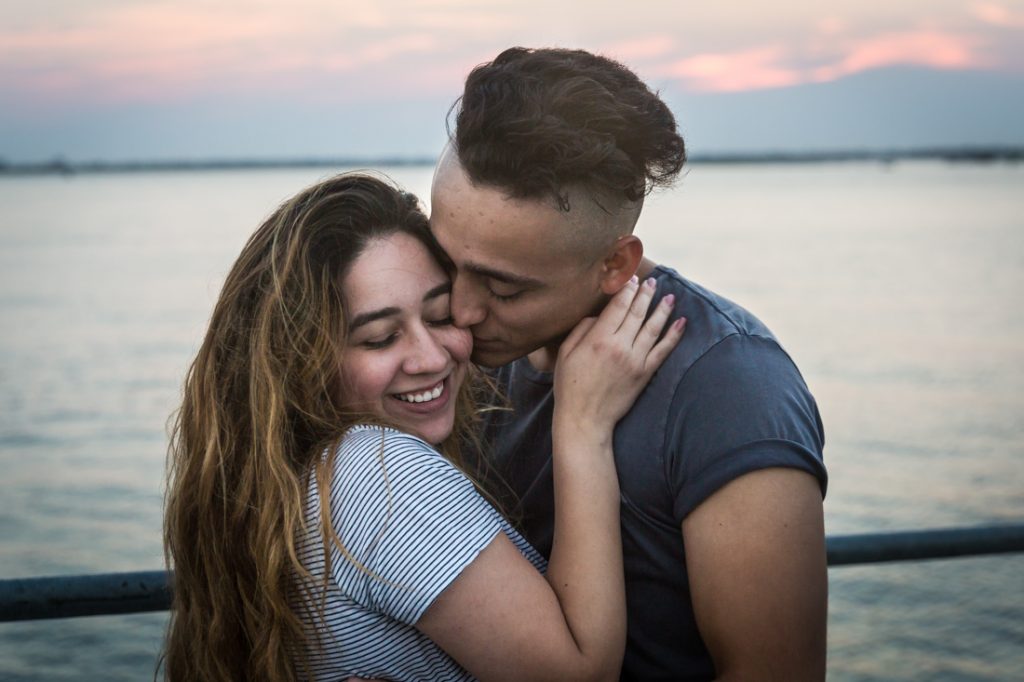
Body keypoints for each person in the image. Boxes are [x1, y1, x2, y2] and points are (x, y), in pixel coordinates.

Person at [162, 173, 684, 681]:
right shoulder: (379, 473)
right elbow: (580, 674)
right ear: (298, 360)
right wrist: (582, 424)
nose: (431, 357)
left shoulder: (278, 480)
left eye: (438, 316)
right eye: (380, 338)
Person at [429, 47, 829, 680]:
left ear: (615, 264)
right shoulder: (443, 343)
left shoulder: (730, 388)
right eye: (444, 261)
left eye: (504, 289)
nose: (460, 310)